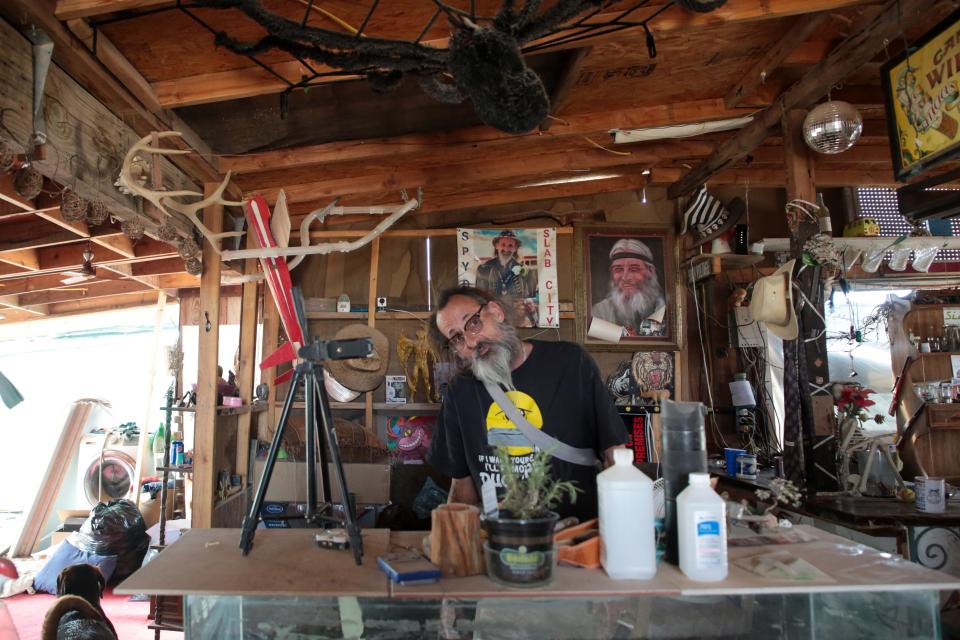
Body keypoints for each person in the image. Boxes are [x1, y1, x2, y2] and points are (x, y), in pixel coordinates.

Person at [427, 286, 627, 521]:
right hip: (505, 538)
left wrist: (621, 532)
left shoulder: (570, 363)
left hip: (578, 536)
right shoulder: (461, 392)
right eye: (457, 337)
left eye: (473, 323)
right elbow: (462, 487)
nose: (471, 341)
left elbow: (615, 456)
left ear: (495, 312)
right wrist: (455, 543)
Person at [591, 238, 667, 337]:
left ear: (650, 271)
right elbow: (590, 330)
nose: (625, 277)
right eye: (618, 269)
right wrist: (621, 334)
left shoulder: (664, 308)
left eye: (634, 269)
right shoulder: (600, 311)